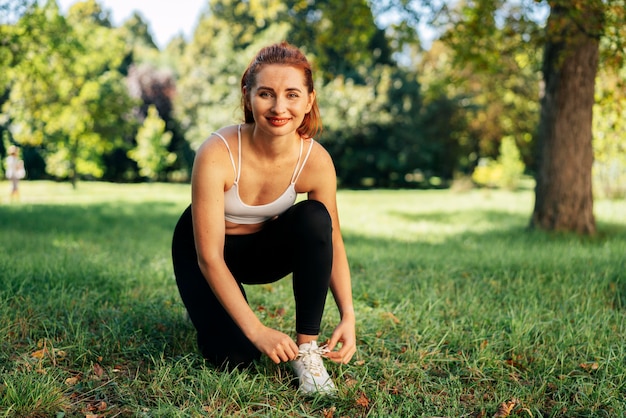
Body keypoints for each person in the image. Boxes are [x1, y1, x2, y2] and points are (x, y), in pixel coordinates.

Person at [171, 42, 356, 395]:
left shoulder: (315, 160)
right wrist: (257, 330)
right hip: (205, 253)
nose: (279, 107)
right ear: (248, 95)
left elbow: (329, 240)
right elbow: (209, 257)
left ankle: (307, 351)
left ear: (309, 100)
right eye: (266, 94)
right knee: (236, 357)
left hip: (262, 251)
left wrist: (348, 314)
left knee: (316, 218)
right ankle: (205, 307)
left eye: (292, 94)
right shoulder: (217, 152)